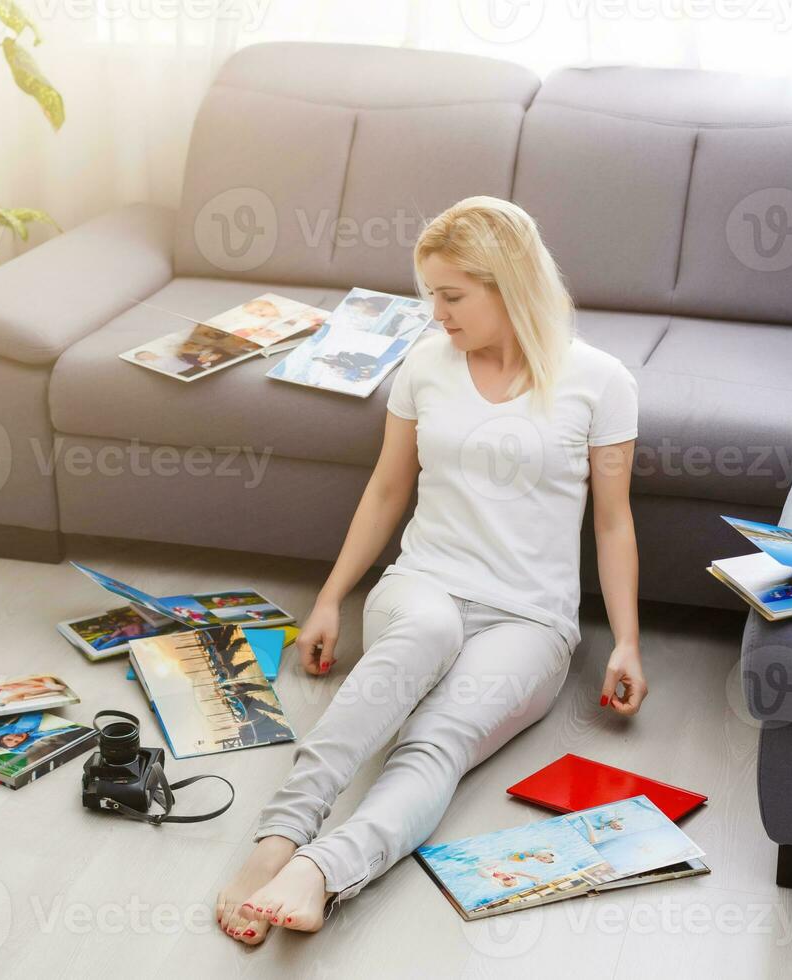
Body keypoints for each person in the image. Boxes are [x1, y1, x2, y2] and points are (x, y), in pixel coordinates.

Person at [215, 196, 646, 944]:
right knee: (428, 630)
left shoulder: (600, 381)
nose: (437, 314)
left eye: (452, 297)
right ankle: (277, 840)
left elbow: (613, 521)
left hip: (529, 619)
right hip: (423, 586)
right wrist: (329, 599)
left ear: (508, 283)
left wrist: (628, 642)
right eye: (430, 296)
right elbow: (387, 489)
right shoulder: (425, 365)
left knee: (436, 742)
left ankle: (323, 871)